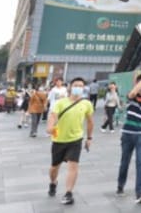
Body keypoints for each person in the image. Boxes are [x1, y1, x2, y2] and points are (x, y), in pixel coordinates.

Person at [46, 77, 94, 205]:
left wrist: (89, 138)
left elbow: (90, 122)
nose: (78, 87)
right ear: (70, 87)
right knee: (54, 168)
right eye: (76, 85)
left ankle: (68, 193)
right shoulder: (61, 102)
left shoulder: (87, 104)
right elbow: (53, 116)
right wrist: (50, 126)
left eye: (81, 85)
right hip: (59, 139)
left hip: (76, 139)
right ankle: (53, 182)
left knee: (73, 165)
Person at [117, 72, 141, 204]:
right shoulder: (132, 95)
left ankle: (140, 193)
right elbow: (132, 93)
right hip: (128, 133)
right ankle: (120, 185)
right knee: (125, 162)